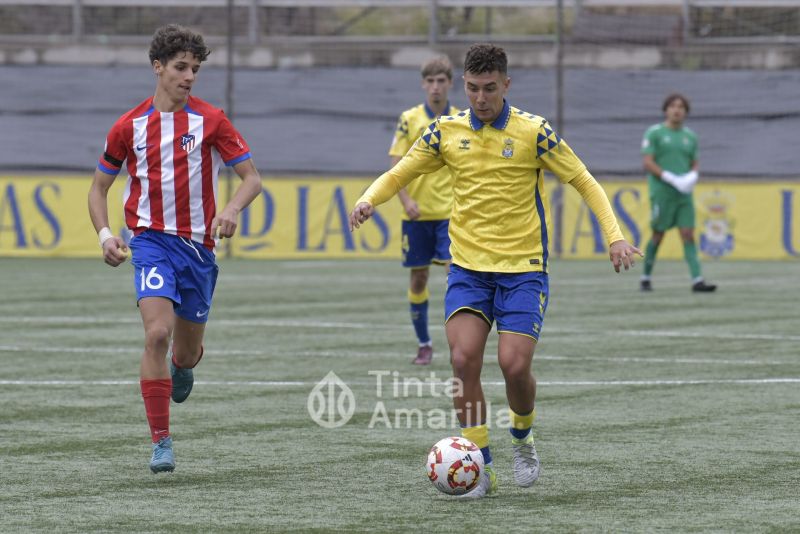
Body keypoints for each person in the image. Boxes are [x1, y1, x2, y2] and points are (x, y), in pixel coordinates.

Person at [349, 44, 641, 498]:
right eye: (472, 88)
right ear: (464, 86)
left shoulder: (534, 132)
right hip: (468, 269)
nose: (480, 97)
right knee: (464, 360)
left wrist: (615, 235)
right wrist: (370, 198)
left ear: (506, 85)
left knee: (513, 365)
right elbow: (401, 171)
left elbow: (584, 179)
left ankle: (523, 440)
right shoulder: (445, 132)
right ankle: (481, 465)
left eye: (489, 88)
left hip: (524, 270)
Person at [87, 24, 262, 474]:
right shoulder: (128, 126)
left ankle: (186, 366)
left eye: (195, 69)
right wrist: (107, 235)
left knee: (183, 352)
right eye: (181, 67)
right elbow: (98, 188)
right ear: (158, 67)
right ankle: (161, 442)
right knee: (156, 334)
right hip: (149, 242)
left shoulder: (212, 120)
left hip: (199, 250)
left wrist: (233, 210)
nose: (188, 76)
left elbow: (252, 179)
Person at [388, 56, 459, 366]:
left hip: (450, 214)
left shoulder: (461, 119)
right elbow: (396, 164)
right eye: (430, 81)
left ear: (449, 84)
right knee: (418, 279)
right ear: (423, 84)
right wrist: (405, 201)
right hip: (417, 215)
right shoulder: (409, 119)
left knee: (455, 276)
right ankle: (424, 343)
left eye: (441, 81)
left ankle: (460, 344)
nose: (435, 87)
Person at [640, 93, 717, 292]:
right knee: (658, 234)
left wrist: (691, 177)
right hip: (662, 192)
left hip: (683, 194)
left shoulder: (690, 137)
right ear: (666, 109)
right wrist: (669, 177)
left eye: (681, 106)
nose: (677, 110)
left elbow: (694, 163)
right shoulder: (654, 133)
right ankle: (645, 276)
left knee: (688, 234)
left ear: (686, 112)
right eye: (673, 106)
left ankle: (697, 280)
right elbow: (648, 162)